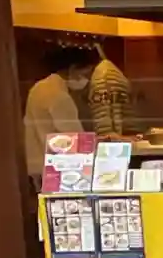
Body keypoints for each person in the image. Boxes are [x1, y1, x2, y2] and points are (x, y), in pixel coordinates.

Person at [21, 42, 95, 184]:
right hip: (57, 168)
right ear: (73, 69)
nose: (86, 79)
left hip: (36, 164)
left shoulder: (38, 88)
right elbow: (75, 137)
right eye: (84, 73)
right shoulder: (60, 96)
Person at [86, 46, 140, 138]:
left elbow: (106, 126)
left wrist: (108, 136)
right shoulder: (112, 72)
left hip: (114, 139)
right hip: (125, 136)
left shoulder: (102, 76)